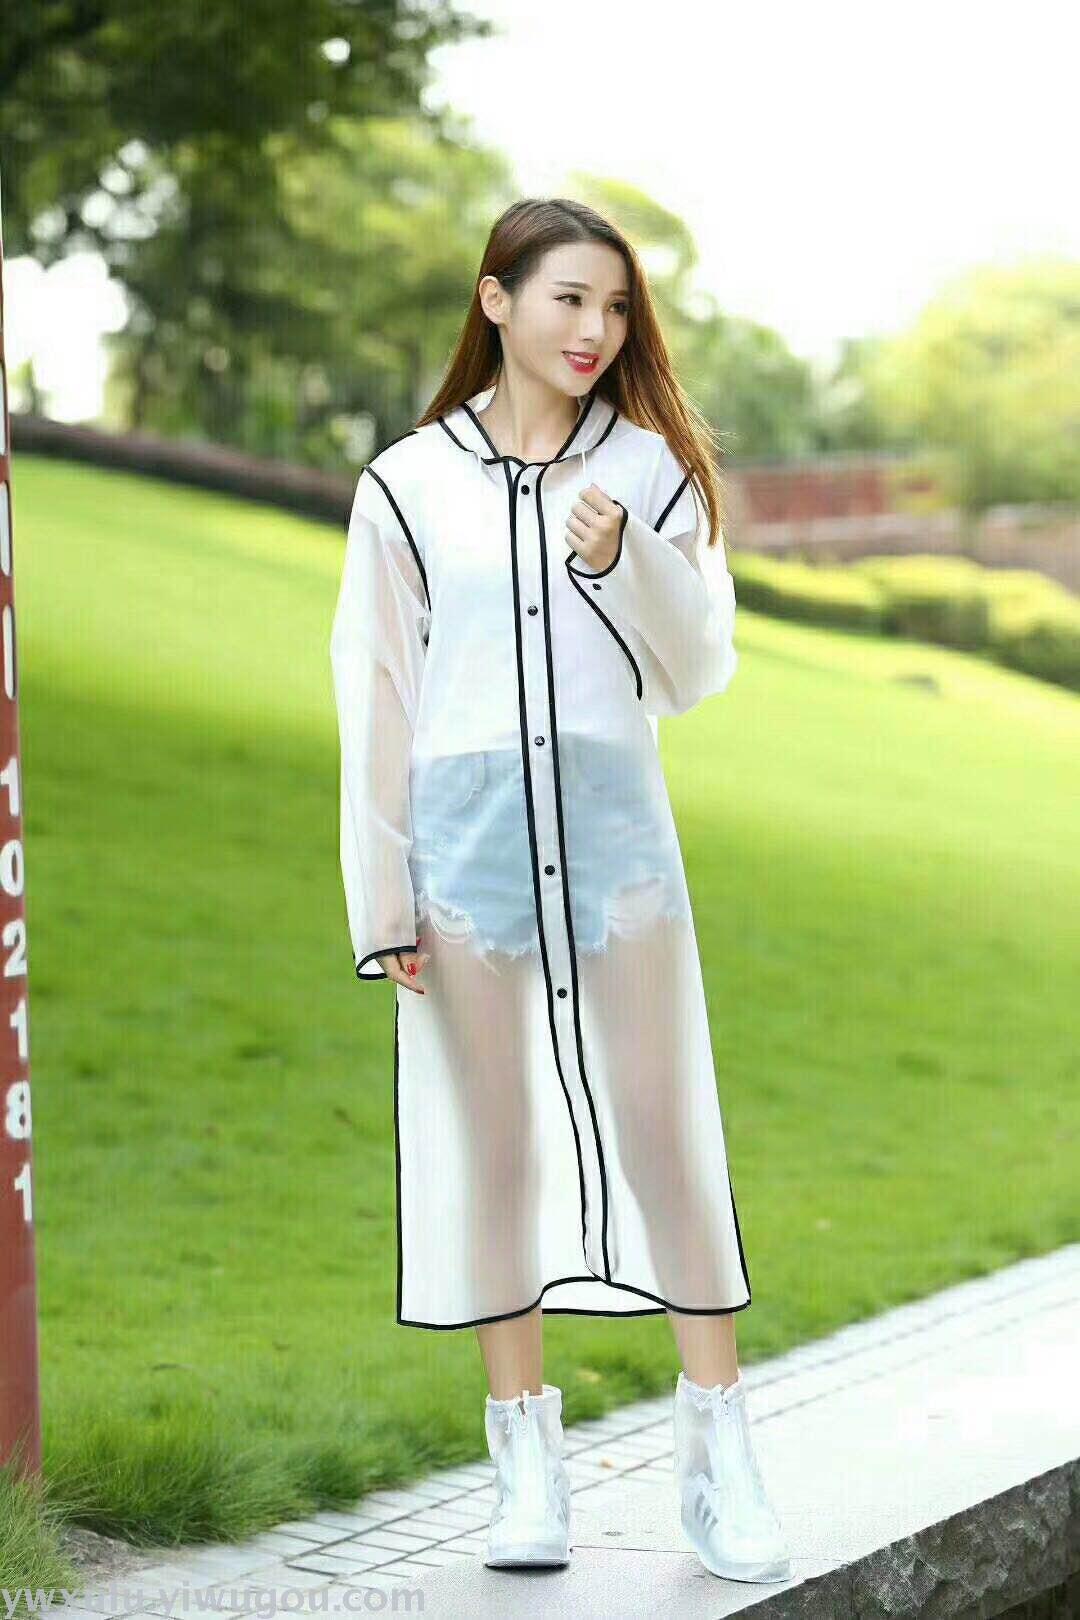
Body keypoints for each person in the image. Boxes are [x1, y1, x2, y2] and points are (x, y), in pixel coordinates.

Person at [329, 197, 792, 1584]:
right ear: (496, 301)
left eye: (615, 307)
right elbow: (380, 696)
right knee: (498, 1145)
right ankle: (525, 1468)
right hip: (465, 847)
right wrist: (383, 901)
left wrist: (622, 560)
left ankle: (719, 1451)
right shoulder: (406, 485)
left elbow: (698, 668)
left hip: (614, 837)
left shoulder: (649, 470)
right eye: (568, 300)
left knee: (664, 1127)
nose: (596, 330)